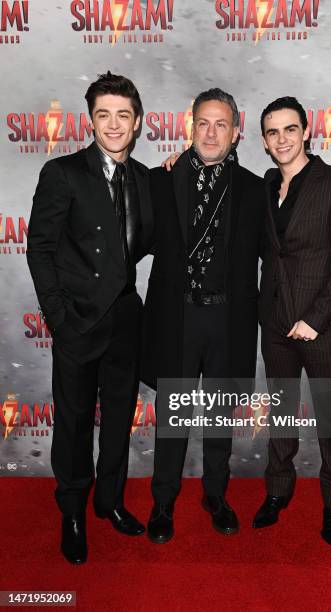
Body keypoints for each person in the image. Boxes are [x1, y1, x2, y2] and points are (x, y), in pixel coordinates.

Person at [27, 72, 153, 564]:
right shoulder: (62, 173)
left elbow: (151, 243)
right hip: (77, 323)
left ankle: (110, 503)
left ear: (138, 121)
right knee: (74, 423)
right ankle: (73, 512)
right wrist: (58, 317)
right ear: (91, 120)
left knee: (119, 420)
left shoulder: (145, 179)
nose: (114, 124)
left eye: (124, 114)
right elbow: (40, 248)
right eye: (104, 114)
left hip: (125, 322)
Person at [141, 88, 266, 543]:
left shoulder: (256, 188)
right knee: (172, 417)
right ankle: (162, 501)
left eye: (221, 124)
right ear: (189, 126)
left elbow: (273, 258)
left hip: (228, 321)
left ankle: (216, 495)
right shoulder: (160, 180)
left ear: (237, 131)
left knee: (218, 416)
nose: (211, 133)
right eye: (203, 123)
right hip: (177, 319)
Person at [254, 96, 331, 547]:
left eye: (289, 129)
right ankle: (278, 492)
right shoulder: (262, 186)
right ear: (264, 141)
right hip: (275, 324)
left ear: (306, 131)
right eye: (272, 132)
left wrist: (314, 320)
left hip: (321, 328)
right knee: (280, 413)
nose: (282, 139)